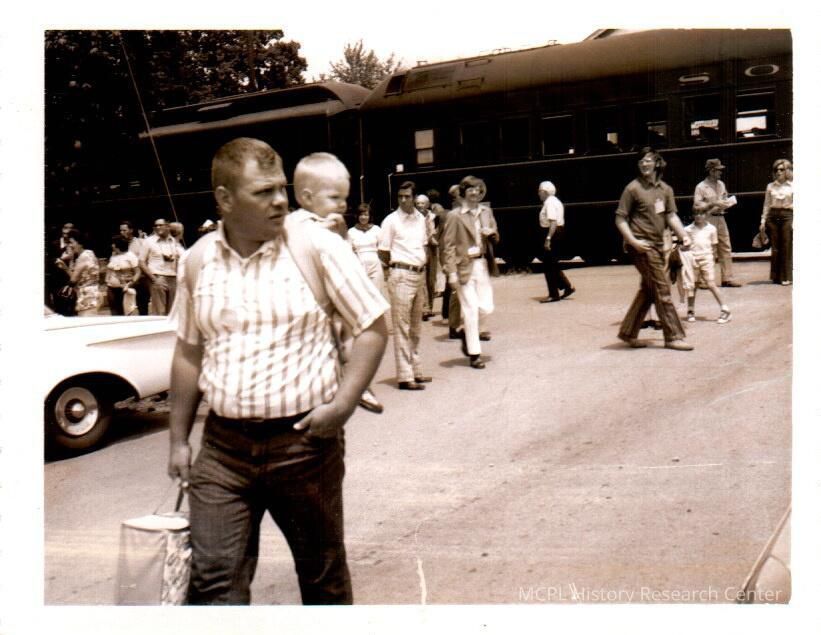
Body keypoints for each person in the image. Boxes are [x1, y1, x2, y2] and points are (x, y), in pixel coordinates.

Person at [167, 137, 388, 605]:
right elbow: (188, 352)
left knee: (323, 577)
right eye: (263, 192)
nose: (280, 201)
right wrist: (178, 440)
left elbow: (372, 326)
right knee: (213, 583)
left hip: (304, 446)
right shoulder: (198, 260)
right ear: (225, 199)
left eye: (281, 188)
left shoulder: (316, 247)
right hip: (223, 451)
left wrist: (342, 406)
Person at [291, 152, 384, 414]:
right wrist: (340, 236)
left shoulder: (297, 223)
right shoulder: (316, 229)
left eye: (344, 198)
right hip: (318, 294)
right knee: (350, 328)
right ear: (307, 197)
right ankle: (356, 384)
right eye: (334, 198)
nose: (342, 205)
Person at [614, 148, 694, 351]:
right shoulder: (632, 189)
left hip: (658, 246)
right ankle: (673, 336)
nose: (644, 164)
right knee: (661, 289)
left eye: (648, 160)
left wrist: (683, 235)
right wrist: (633, 241)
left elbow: (671, 216)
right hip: (642, 247)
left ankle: (628, 333)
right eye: (641, 161)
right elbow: (620, 219)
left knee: (649, 290)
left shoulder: (665, 190)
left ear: (657, 163)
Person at [378, 180, 432, 390]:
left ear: (414, 198)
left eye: (407, 196)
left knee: (416, 328)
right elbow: (383, 251)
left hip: (419, 275)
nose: (403, 200)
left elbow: (424, 245)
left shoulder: (421, 219)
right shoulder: (390, 221)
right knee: (402, 327)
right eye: (400, 196)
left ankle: (415, 371)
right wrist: (396, 268)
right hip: (401, 274)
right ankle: (404, 376)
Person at [441, 175, 499, 369]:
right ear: (463, 193)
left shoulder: (486, 212)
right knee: (471, 309)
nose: (475, 192)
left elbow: (496, 236)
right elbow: (448, 246)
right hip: (463, 267)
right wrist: (451, 273)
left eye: (477, 189)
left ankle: (466, 333)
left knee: (486, 307)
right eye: (470, 189)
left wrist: (491, 233)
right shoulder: (454, 215)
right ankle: (475, 354)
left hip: (482, 265)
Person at [693, 158, 742, 287]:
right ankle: (705, 280)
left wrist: (726, 203)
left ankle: (727, 278)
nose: (721, 172)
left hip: (721, 218)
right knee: (709, 248)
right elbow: (697, 206)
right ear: (711, 171)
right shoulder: (701, 187)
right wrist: (713, 203)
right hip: (708, 219)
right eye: (718, 170)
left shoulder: (721, 184)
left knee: (725, 247)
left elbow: (724, 197)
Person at [680, 209, 731, 324]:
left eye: (701, 214)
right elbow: (684, 246)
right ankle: (690, 310)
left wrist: (712, 260)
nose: (698, 216)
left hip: (707, 259)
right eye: (696, 213)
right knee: (692, 285)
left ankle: (725, 309)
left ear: (706, 215)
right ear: (693, 215)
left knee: (711, 284)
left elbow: (714, 247)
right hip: (692, 259)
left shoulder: (712, 229)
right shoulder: (687, 229)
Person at [537, 181, 575, 303]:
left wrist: (548, 239)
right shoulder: (556, 201)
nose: (538, 193)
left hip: (552, 233)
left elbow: (553, 222)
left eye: (540, 191)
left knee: (548, 265)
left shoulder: (550, 203)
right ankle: (567, 287)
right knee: (552, 263)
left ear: (545, 192)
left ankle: (553, 294)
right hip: (557, 232)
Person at [140, 217, 184, 315]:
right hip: (158, 277)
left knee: (173, 312)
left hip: (173, 277)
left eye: (160, 225)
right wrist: (154, 279)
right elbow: (141, 262)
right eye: (156, 225)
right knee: (159, 312)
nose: (157, 227)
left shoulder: (173, 241)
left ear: (167, 226)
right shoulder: (148, 241)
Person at [760, 158, 793, 285]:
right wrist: (763, 221)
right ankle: (776, 276)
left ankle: (786, 277)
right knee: (775, 247)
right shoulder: (770, 186)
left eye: (782, 169)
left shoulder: (793, 186)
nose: (778, 172)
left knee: (786, 244)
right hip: (773, 217)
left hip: (787, 215)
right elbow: (766, 204)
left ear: (787, 171)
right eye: (776, 170)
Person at [55, 228, 100, 316]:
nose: (70, 245)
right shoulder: (90, 253)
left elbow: (73, 280)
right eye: (69, 243)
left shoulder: (82, 257)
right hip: (94, 292)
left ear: (80, 243)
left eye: (72, 242)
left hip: (86, 296)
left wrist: (65, 268)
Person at [441, 184, 463, 339]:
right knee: (455, 294)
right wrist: (446, 262)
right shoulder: (451, 215)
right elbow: (446, 241)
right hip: (456, 259)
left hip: (468, 259)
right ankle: (453, 326)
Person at [414, 193, 438, 321]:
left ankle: (430, 307)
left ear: (427, 204)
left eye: (422, 203)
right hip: (420, 248)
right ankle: (425, 308)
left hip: (432, 248)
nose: (420, 205)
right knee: (422, 279)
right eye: (418, 203)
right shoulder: (413, 218)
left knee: (431, 278)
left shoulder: (434, 216)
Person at [119, 220, 150, 315]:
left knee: (143, 307)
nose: (122, 232)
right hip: (125, 281)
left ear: (131, 230)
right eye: (121, 230)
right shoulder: (118, 244)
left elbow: (146, 259)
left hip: (141, 279)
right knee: (127, 309)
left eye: (124, 230)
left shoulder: (140, 242)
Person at [105, 235, 141, 315]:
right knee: (114, 312)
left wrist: (131, 283)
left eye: (113, 244)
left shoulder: (130, 256)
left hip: (125, 288)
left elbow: (138, 272)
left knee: (127, 311)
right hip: (111, 288)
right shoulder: (113, 256)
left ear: (118, 245)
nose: (112, 245)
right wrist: (107, 280)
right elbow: (110, 269)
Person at [46, 222, 77, 315]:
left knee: (71, 308)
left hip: (72, 280)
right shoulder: (54, 244)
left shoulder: (75, 245)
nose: (66, 232)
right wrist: (61, 259)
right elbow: (49, 261)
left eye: (69, 229)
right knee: (59, 308)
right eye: (65, 228)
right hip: (58, 281)